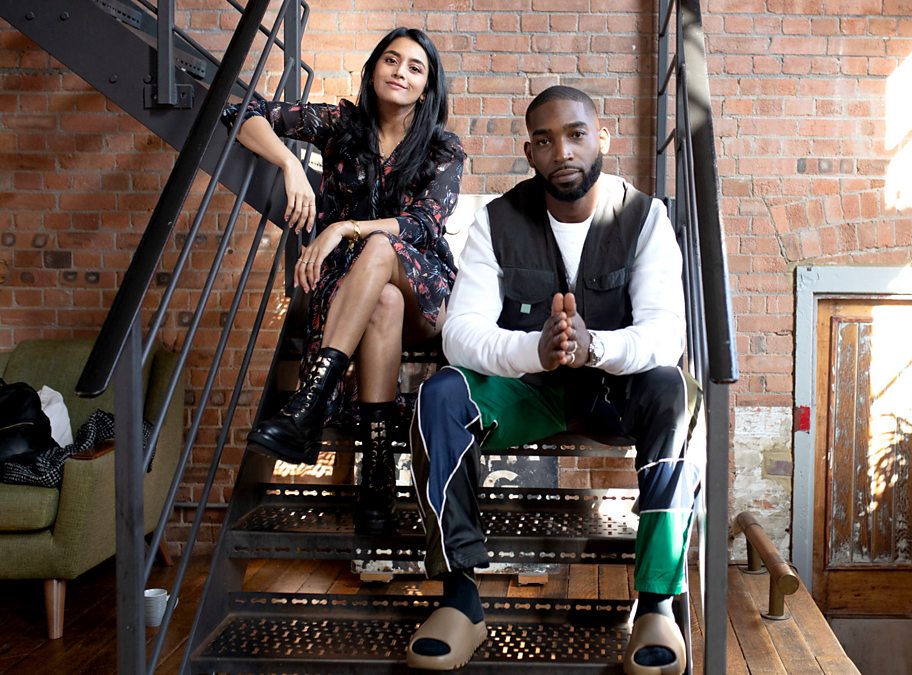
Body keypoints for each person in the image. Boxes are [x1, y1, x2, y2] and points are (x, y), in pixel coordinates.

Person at [406, 86, 701, 675]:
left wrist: (597, 347)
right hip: (530, 391)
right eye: (544, 140)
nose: (562, 151)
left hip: (613, 395)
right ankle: (460, 597)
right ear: (529, 151)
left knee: (674, 389)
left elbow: (666, 334)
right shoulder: (496, 221)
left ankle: (656, 604)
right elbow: (459, 333)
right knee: (441, 393)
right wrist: (534, 350)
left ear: (602, 138)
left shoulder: (646, 218)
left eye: (575, 134)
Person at [221, 28, 464, 536]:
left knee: (381, 252)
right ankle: (376, 478)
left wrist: (342, 228)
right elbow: (241, 111)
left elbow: (423, 225)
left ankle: (310, 401)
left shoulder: (442, 148)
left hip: (423, 287)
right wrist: (289, 162)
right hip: (357, 291)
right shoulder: (341, 125)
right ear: (373, 71)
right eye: (391, 60)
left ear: (427, 87)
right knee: (382, 303)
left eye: (415, 67)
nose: (400, 72)